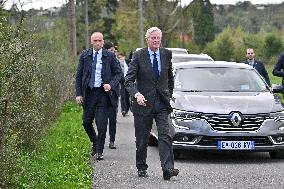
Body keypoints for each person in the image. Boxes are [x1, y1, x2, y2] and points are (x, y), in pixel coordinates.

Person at [125, 27, 179, 180]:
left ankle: (168, 169)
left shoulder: (166, 54)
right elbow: (128, 80)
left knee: (165, 135)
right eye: (153, 38)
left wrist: (168, 95)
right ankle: (141, 167)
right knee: (142, 139)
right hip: (143, 103)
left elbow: (170, 78)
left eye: (158, 38)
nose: (156, 41)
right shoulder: (138, 55)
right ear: (147, 39)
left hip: (161, 104)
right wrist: (137, 94)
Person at [75, 32, 122, 160]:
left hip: (103, 94)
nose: (97, 43)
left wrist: (110, 85)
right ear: (91, 42)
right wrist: (78, 93)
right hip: (89, 93)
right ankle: (95, 141)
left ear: (103, 41)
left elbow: (119, 74)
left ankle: (99, 151)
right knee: (86, 122)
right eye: (95, 40)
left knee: (101, 124)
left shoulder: (110, 56)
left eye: (99, 40)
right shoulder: (85, 56)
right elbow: (78, 76)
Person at [104, 41, 120, 149]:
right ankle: (100, 140)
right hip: (102, 94)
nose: (113, 52)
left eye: (114, 50)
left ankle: (112, 140)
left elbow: (120, 75)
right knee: (102, 119)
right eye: (111, 50)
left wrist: (112, 85)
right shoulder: (101, 60)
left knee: (113, 118)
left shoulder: (116, 61)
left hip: (113, 93)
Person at [117, 52, 131, 116]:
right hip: (122, 82)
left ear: (124, 57)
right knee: (123, 96)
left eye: (121, 57)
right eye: (119, 58)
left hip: (129, 82)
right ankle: (123, 110)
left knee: (127, 96)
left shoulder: (128, 62)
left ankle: (127, 108)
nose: (120, 59)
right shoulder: (117, 64)